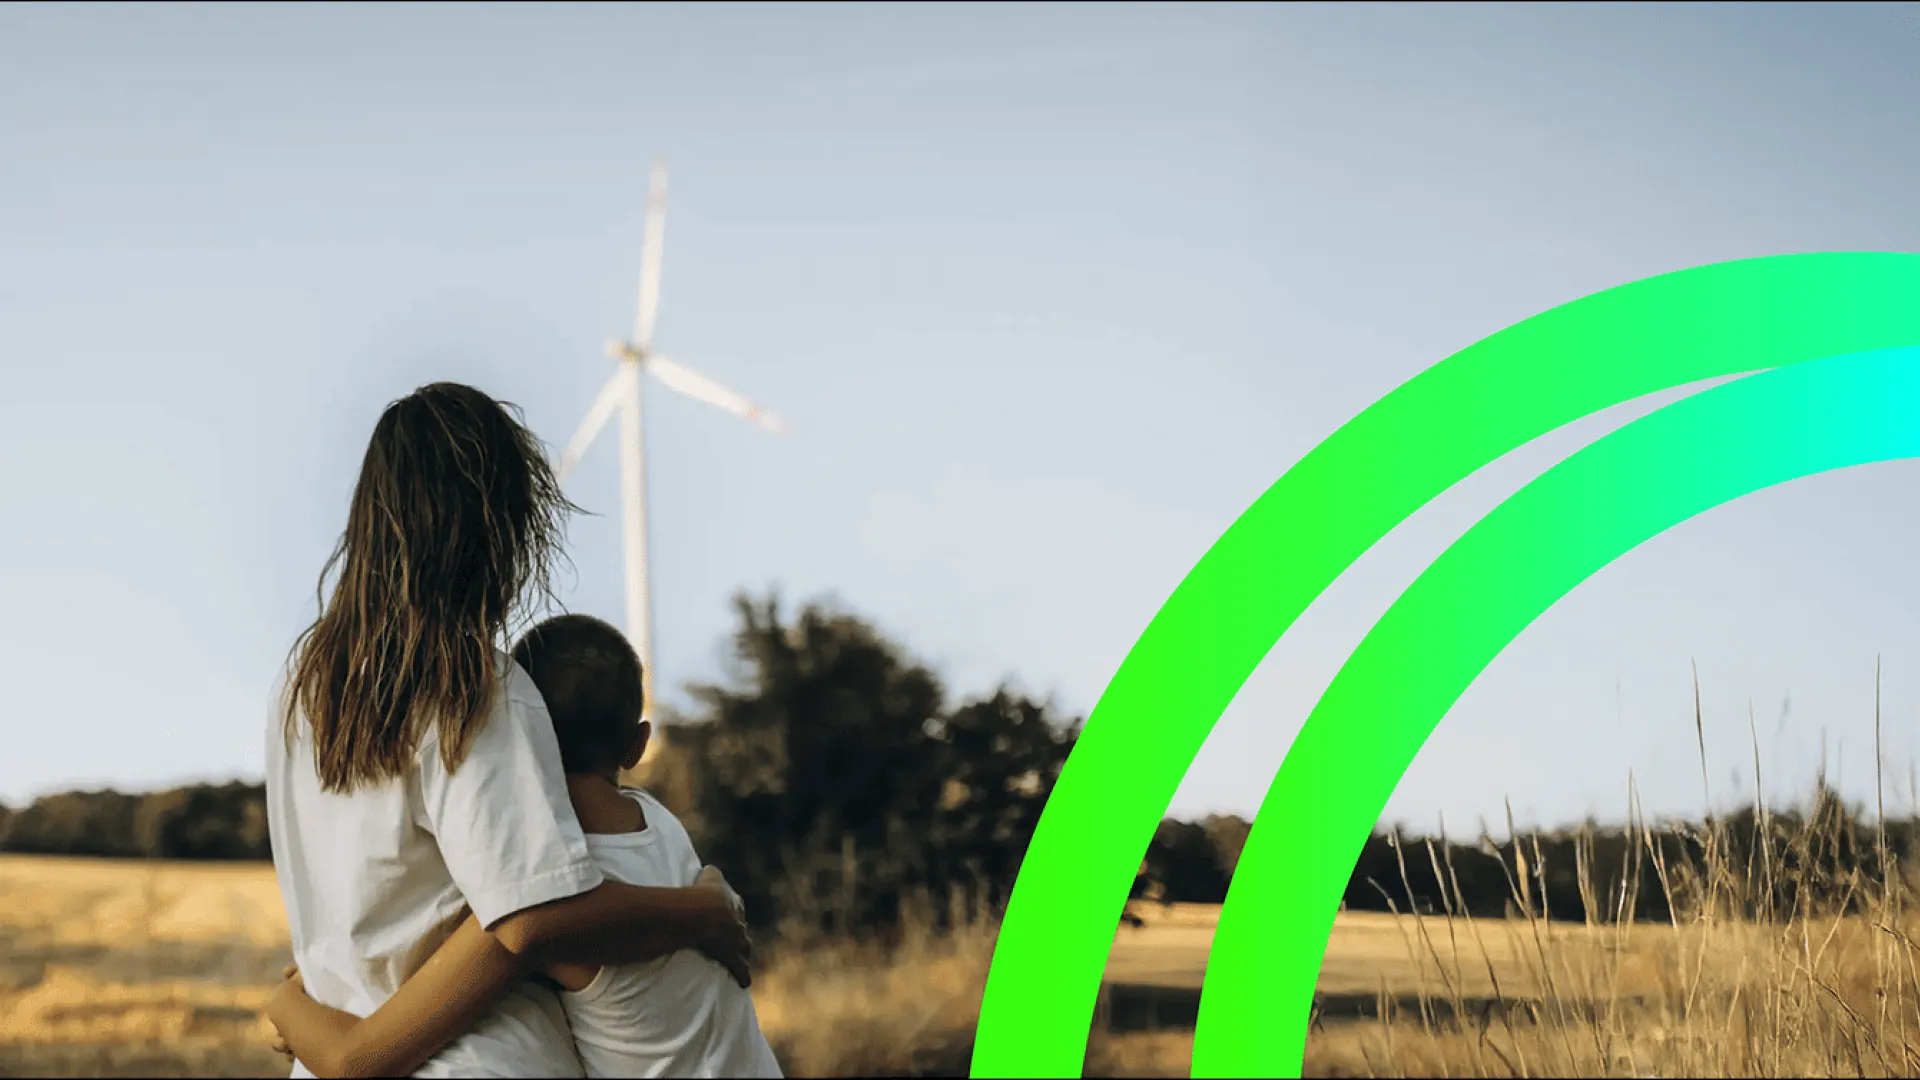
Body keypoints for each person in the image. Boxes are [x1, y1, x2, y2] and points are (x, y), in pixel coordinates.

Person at [266, 383, 750, 1079]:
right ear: (497, 524)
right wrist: (704, 911)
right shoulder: (474, 684)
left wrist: (292, 1008)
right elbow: (531, 915)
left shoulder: (299, 689)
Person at [266, 613, 783, 1079]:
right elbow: (708, 881)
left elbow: (365, 1048)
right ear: (638, 744)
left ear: (515, 735)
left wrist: (291, 999)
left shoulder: (543, 904)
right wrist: (714, 897)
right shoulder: (659, 822)